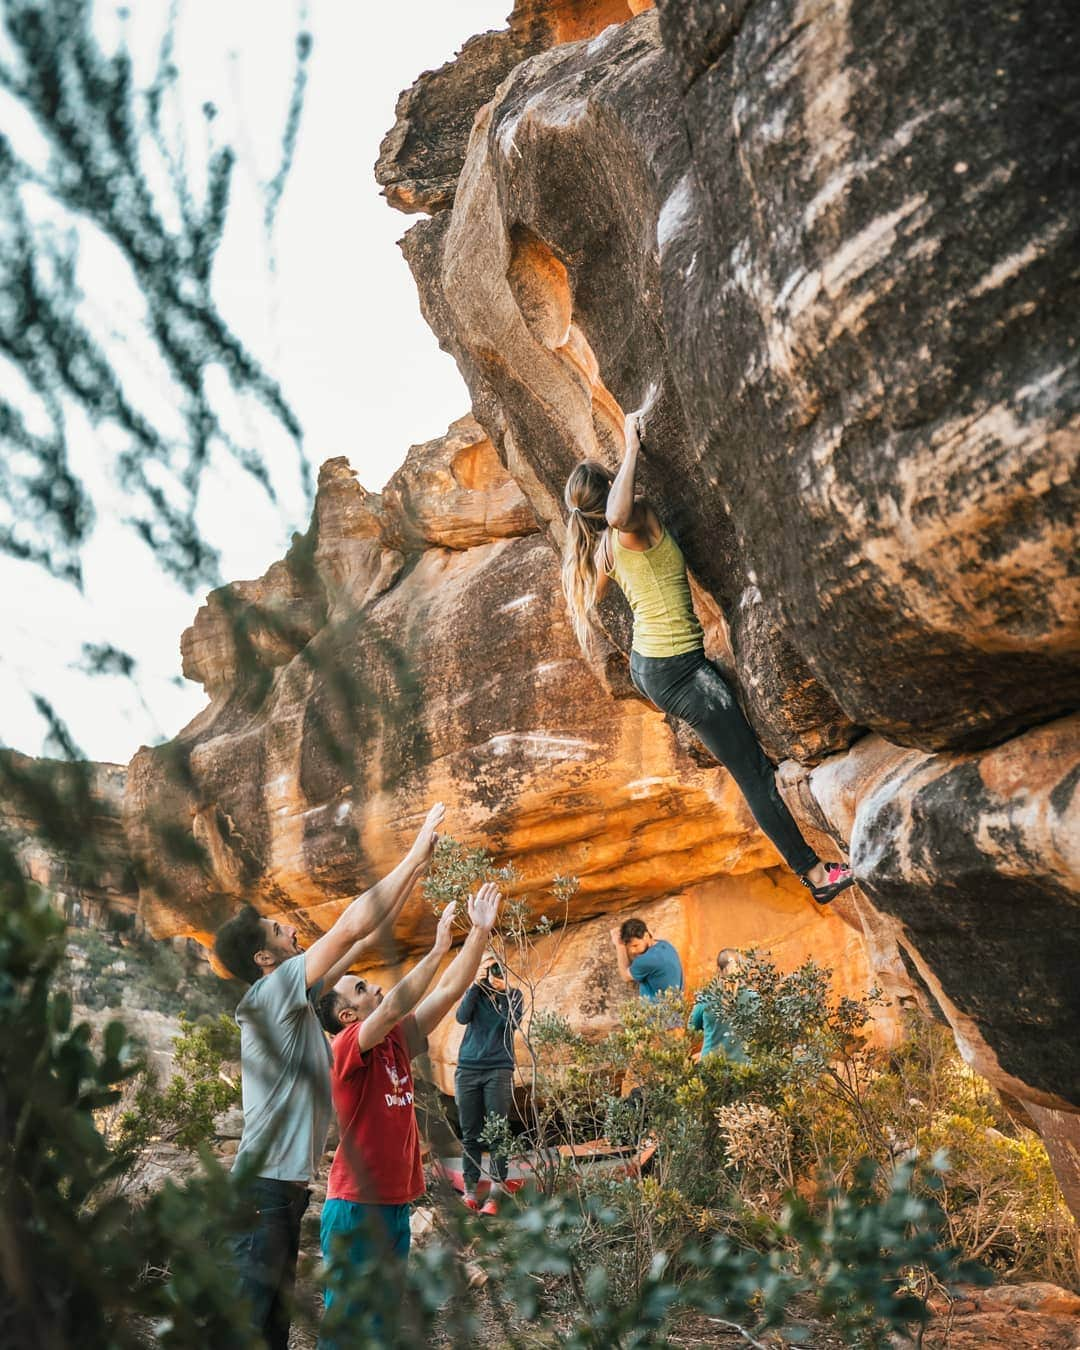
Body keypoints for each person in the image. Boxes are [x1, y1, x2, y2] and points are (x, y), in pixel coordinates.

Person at [561, 410, 856, 906]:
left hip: (656, 664)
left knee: (741, 745)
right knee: (754, 773)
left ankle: (813, 866)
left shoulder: (607, 547)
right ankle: (815, 875)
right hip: (676, 671)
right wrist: (629, 445)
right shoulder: (631, 526)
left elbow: (606, 523)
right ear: (612, 488)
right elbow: (615, 513)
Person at [212, 800, 445, 1350]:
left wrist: (418, 868)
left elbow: (363, 937)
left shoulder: (293, 1004)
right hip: (261, 1194)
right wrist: (412, 852)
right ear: (264, 960)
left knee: (270, 1331)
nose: (290, 928)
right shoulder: (269, 994)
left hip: (285, 1195)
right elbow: (348, 928)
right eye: (277, 929)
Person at [315, 881, 503, 1339]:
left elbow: (449, 991)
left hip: (395, 1205)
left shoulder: (397, 1038)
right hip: (356, 1208)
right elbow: (398, 1000)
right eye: (361, 988)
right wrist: (438, 946)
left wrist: (478, 932)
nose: (374, 986)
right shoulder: (346, 1047)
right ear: (347, 1017)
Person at [454, 953, 524, 1215]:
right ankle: (470, 1192)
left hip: (498, 1069)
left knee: (497, 1131)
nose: (491, 972)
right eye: (486, 967)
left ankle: (496, 1192)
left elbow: (513, 1023)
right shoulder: (475, 995)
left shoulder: (514, 996)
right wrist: (475, 984)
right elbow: (461, 1017)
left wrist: (504, 992)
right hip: (468, 1068)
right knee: (470, 1132)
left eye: (495, 967)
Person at [689, 948, 752, 1063]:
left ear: (718, 970)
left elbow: (692, 1027)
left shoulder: (705, 998)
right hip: (744, 1071)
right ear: (742, 969)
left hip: (712, 1067)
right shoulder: (753, 998)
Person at [610, 917, 684, 1001]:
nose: (632, 951)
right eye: (628, 947)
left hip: (659, 1012)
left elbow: (625, 976)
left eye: (635, 945)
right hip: (676, 1009)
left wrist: (619, 945)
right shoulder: (665, 945)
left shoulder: (646, 960)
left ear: (645, 936)